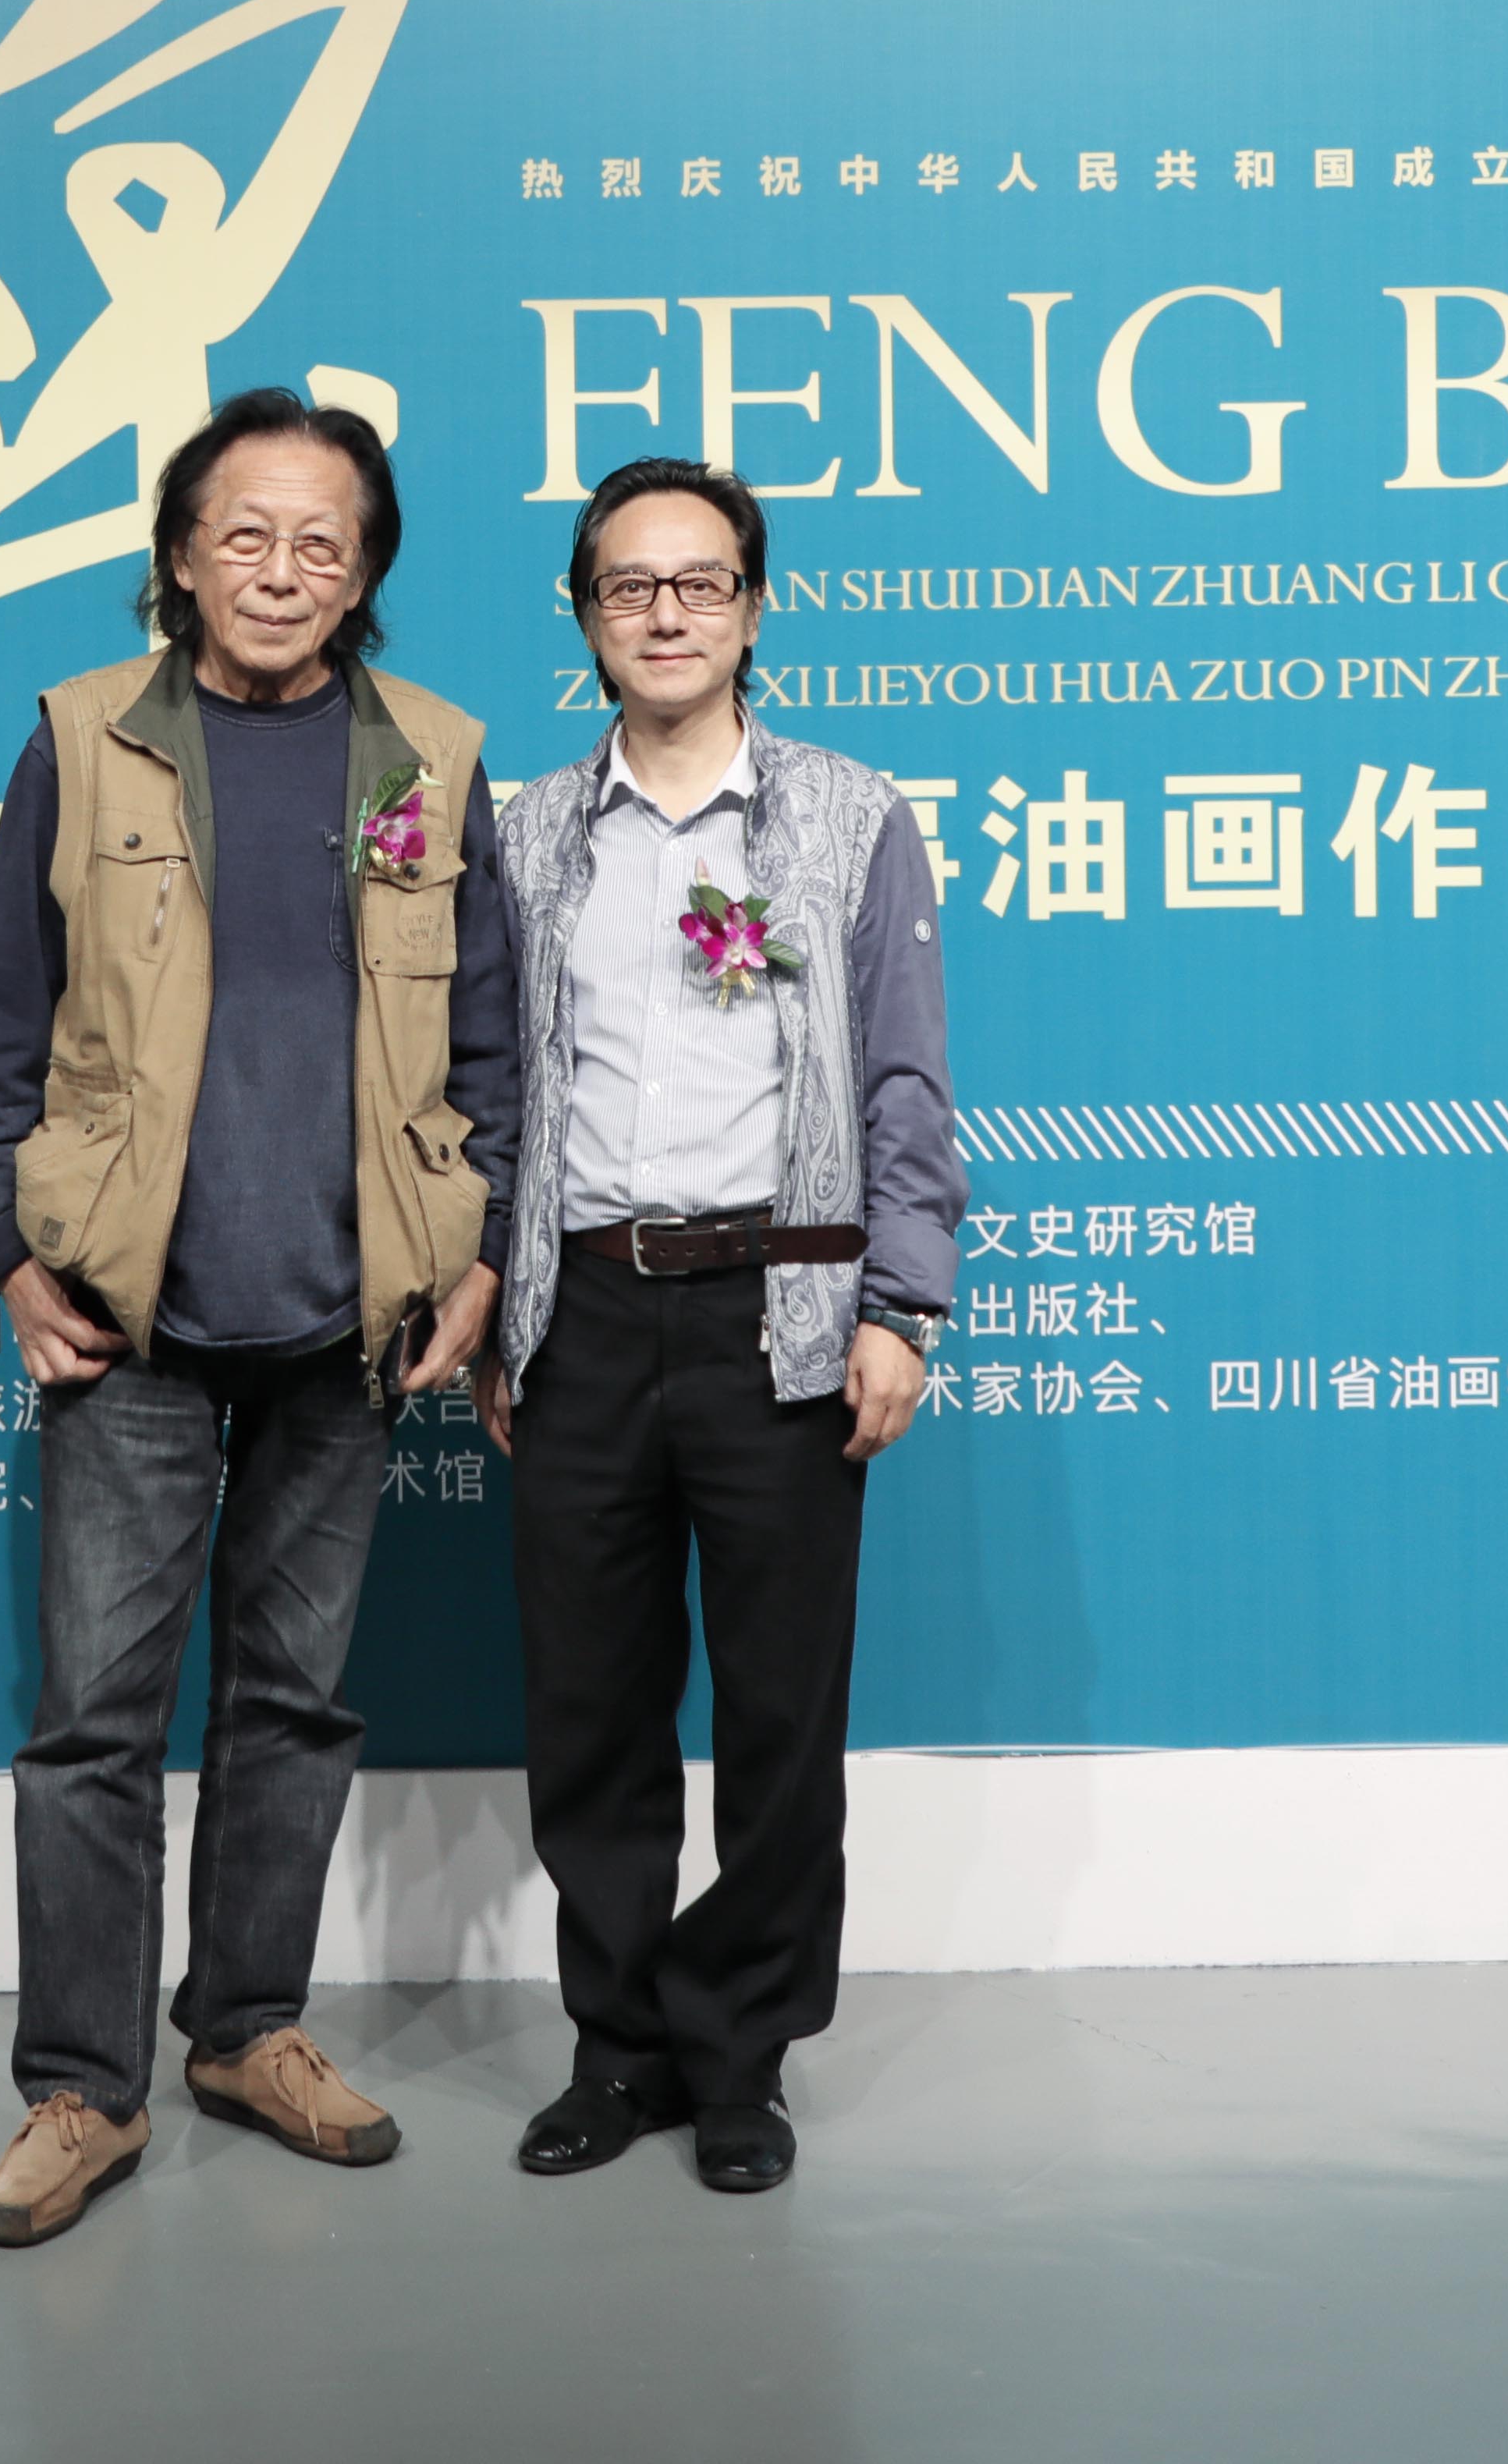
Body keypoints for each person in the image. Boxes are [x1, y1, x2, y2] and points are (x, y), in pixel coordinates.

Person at [0, 385, 521, 2250]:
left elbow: (490, 1041)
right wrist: (2, 1255)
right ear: (180, 555)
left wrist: (479, 1253)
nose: (281, 567)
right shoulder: (83, 738)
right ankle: (80, 2085)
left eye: (321, 541)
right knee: (93, 1723)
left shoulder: (432, 753)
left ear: (366, 573)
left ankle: (246, 2026)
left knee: (295, 1703)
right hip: (130, 1319)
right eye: (245, 533)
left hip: (350, 1322)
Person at [486, 454, 960, 2196]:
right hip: (583, 1313)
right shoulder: (526, 833)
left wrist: (901, 1301)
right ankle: (618, 2046)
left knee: (778, 1713)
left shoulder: (847, 814)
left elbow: (903, 1076)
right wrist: (493, 1303)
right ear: (585, 615)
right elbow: (490, 1089)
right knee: (590, 1712)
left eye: (702, 582)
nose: (667, 612)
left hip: (787, 1304)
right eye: (630, 584)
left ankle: (740, 2051)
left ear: (755, 609)